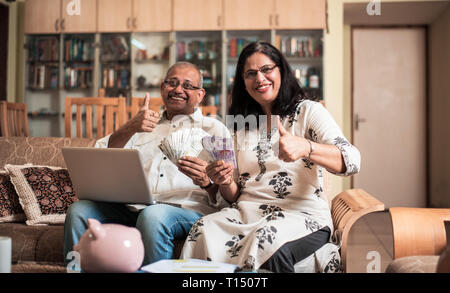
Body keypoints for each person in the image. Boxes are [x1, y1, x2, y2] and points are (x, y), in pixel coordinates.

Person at [180, 42, 361, 273]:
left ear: (281, 72)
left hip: (302, 215)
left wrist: (306, 147)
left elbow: (352, 160)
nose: (260, 78)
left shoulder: (308, 111)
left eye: (267, 69)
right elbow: (233, 195)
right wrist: (224, 181)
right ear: (243, 81)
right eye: (251, 73)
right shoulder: (240, 126)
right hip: (247, 213)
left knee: (266, 239)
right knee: (202, 228)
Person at [63, 62, 230, 268]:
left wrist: (206, 182)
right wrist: (130, 127)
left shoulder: (214, 130)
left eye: (187, 85)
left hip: (187, 210)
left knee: (154, 216)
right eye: (172, 83)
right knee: (79, 210)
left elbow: (226, 196)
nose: (178, 89)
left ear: (200, 94)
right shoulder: (142, 124)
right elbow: (101, 154)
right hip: (133, 207)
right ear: (162, 88)